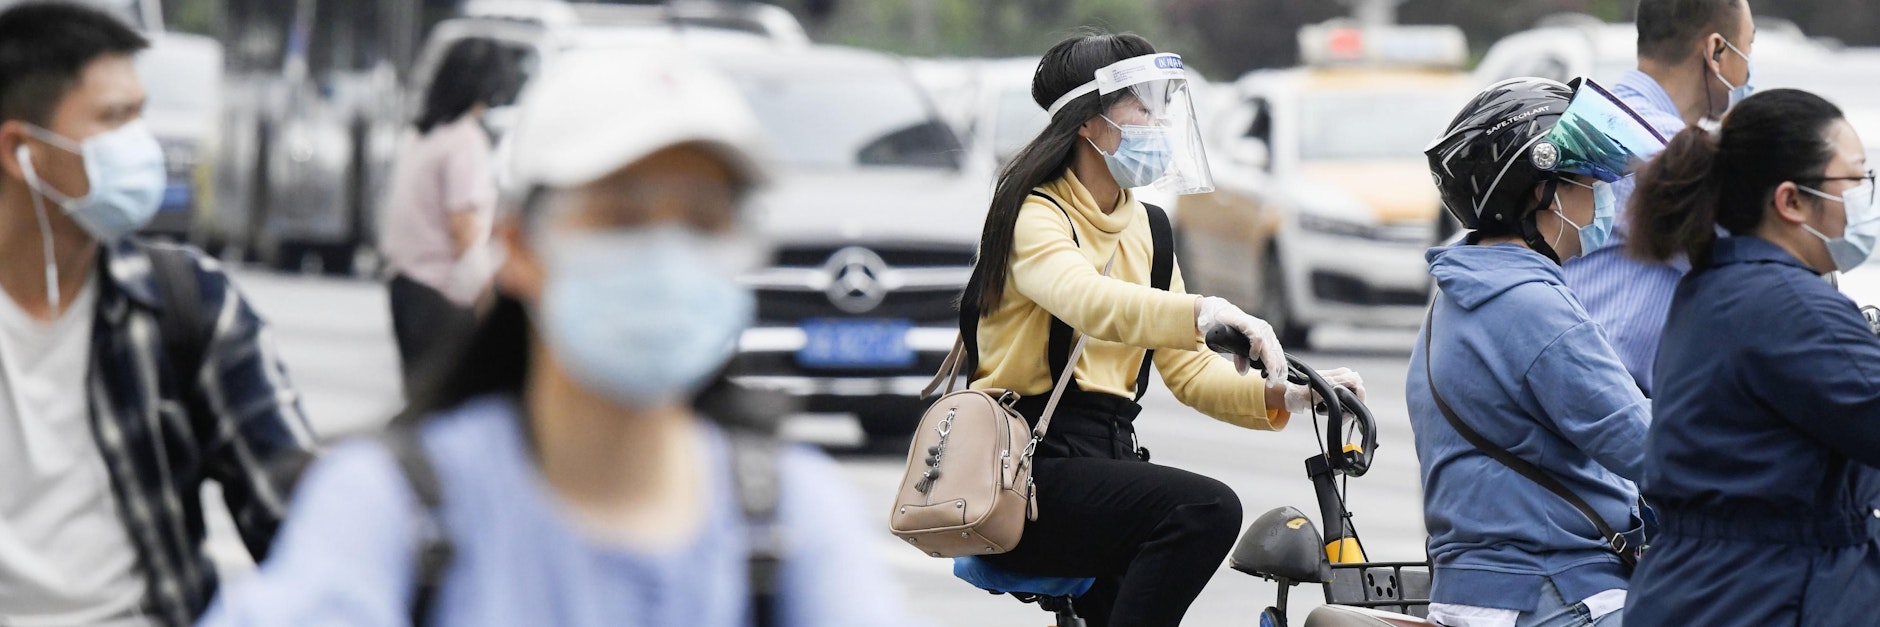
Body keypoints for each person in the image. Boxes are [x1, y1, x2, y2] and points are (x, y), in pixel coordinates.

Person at [200, 48, 917, 626]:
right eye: (620, 218)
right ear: (515, 245)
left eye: (705, 221)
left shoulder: (795, 518)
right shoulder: (389, 510)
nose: (667, 257)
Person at [962, 32, 1364, 627]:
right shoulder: (1035, 213)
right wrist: (1200, 312)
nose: (1157, 121)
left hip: (1109, 462)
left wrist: (1291, 392)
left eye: (1160, 106)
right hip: (1029, 470)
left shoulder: (1149, 229)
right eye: (1140, 105)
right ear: (1087, 122)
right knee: (1204, 509)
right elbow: (1087, 300)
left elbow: (1192, 374)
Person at [0, 2, 317, 625]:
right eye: (113, 119)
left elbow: (300, 518)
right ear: (22, 151)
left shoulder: (186, 303)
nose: (140, 146)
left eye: (139, 115)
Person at [1410, 76, 1668, 627]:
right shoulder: (1529, 305)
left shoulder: (1462, 295)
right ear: (1540, 193)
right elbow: (1649, 447)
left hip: (1487, 590)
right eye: (1586, 182)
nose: (1602, 198)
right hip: (1549, 591)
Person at [1623, 89, 1880, 625]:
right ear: (1791, 202)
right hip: (1767, 596)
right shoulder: (1791, 307)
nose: (1864, 197)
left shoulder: (1718, 287)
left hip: (1710, 591)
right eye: (1854, 180)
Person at [1561, 0, 1756, 395]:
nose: (1750, 67)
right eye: (1749, 47)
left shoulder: (1595, 117)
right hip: (1606, 410)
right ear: (1716, 50)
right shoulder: (1661, 147)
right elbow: (1755, 263)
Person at [379, 38, 517, 386]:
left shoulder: (420, 135)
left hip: (404, 287)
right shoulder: (465, 140)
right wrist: (486, 296)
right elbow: (464, 226)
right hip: (443, 294)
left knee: (418, 394)